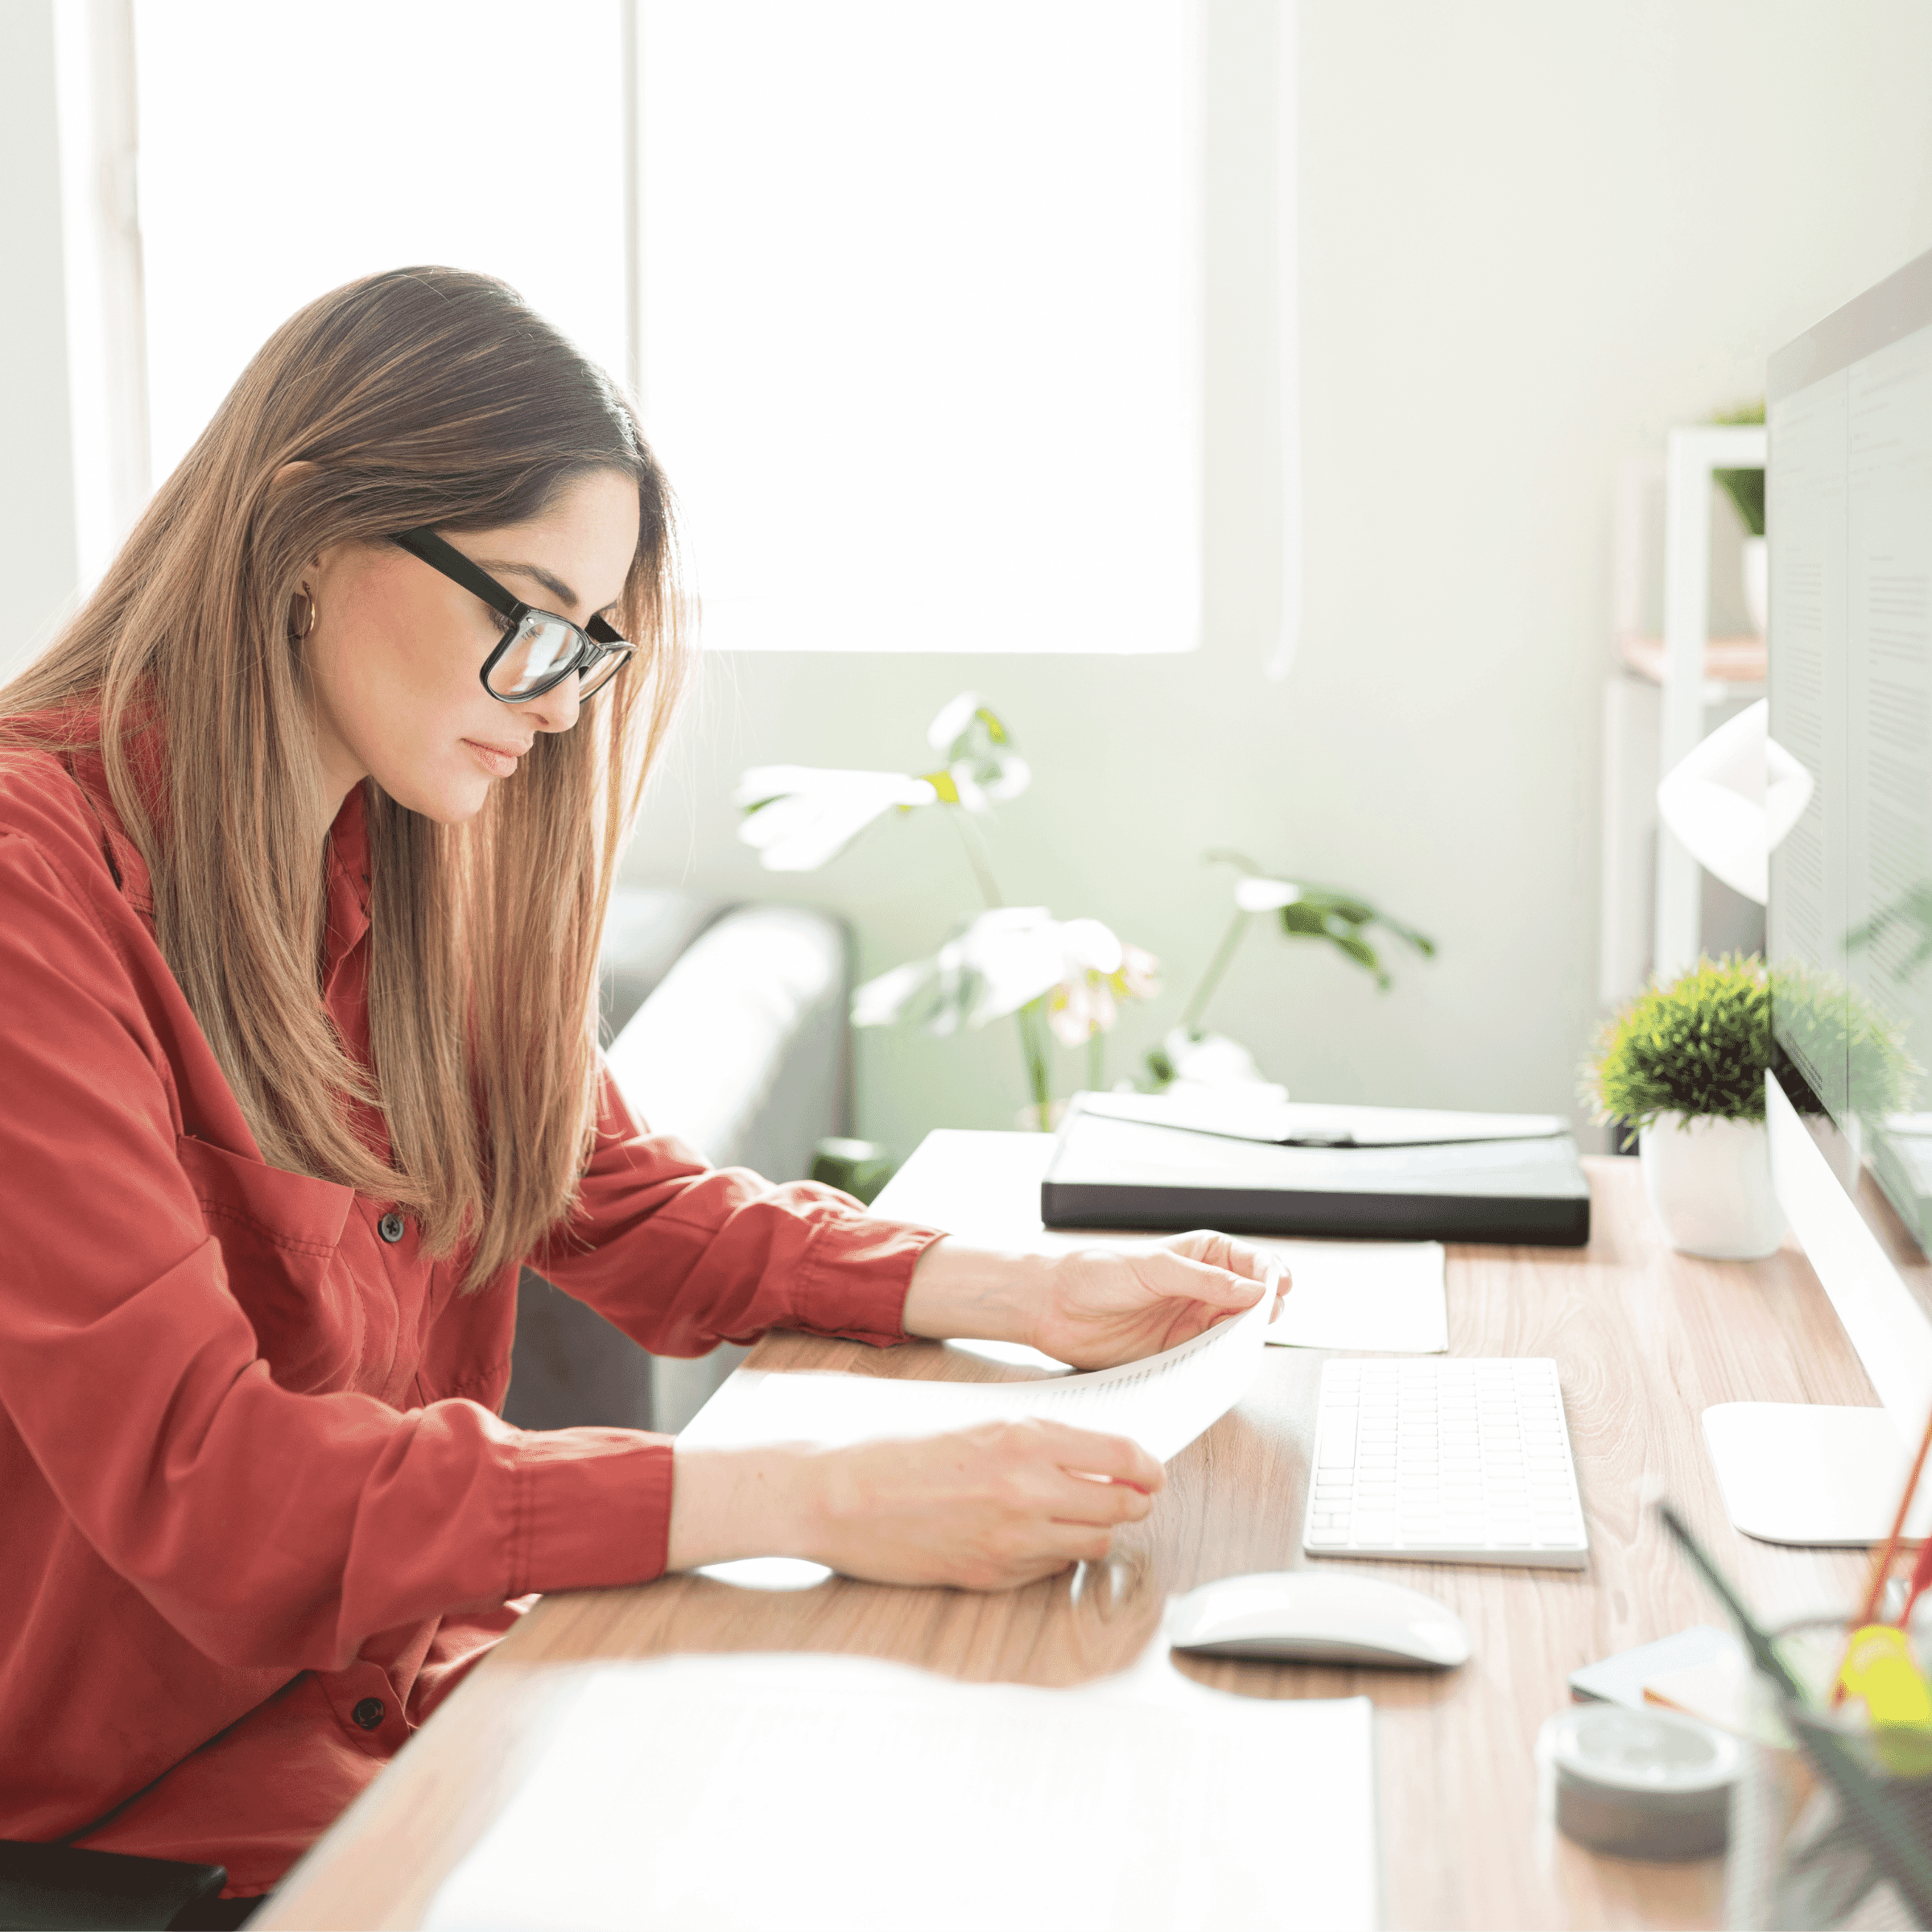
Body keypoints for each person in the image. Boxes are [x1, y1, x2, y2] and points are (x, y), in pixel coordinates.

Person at [0, 267, 1278, 1919]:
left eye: (590, 647)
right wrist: (813, 1497)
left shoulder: (407, 857)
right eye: (525, 615)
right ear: (308, 531)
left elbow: (622, 1202)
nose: (554, 698)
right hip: (123, 1824)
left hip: (407, 1712)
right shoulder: (36, 887)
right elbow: (209, 1483)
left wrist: (1027, 1287)